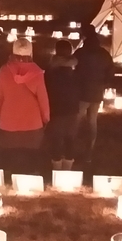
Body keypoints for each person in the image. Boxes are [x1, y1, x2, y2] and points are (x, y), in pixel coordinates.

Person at [0, 38, 50, 171]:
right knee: (31, 157)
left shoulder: (4, 70)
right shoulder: (37, 73)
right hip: (32, 123)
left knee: (11, 157)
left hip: (8, 122)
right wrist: (45, 118)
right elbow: (43, 98)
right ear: (31, 53)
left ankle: (12, 180)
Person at [73, 25, 114, 164]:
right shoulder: (104, 53)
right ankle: (89, 152)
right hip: (96, 91)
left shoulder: (80, 53)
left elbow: (72, 67)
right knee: (92, 121)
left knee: (76, 120)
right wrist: (103, 83)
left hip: (81, 91)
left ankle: (71, 148)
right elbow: (110, 71)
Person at [44, 40, 80, 170]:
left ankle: (57, 168)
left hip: (55, 108)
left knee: (56, 138)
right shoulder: (75, 68)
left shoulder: (50, 69)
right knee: (70, 138)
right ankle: (67, 168)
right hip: (72, 108)